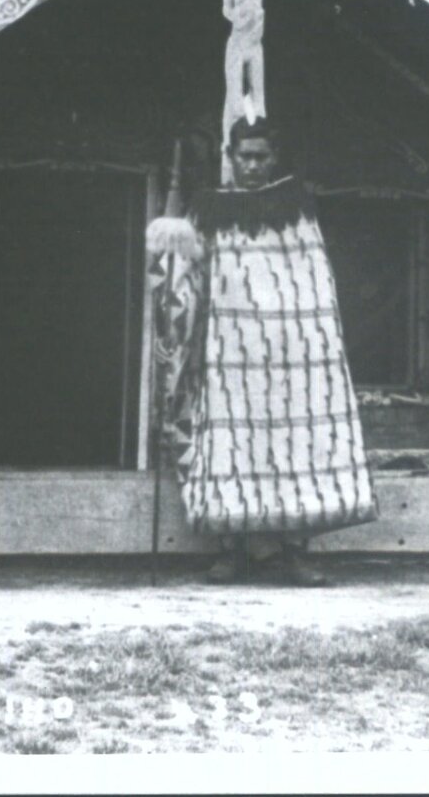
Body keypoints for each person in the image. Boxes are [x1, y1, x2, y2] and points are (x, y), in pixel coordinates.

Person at [174, 117, 377, 585]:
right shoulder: (209, 209)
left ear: (274, 159)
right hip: (230, 348)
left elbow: (314, 279)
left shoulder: (295, 208)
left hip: (291, 351)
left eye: (261, 157)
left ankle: (293, 552)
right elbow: (189, 274)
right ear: (231, 157)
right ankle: (233, 550)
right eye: (244, 156)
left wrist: (310, 340)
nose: (252, 166)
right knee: (232, 444)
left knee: (291, 446)